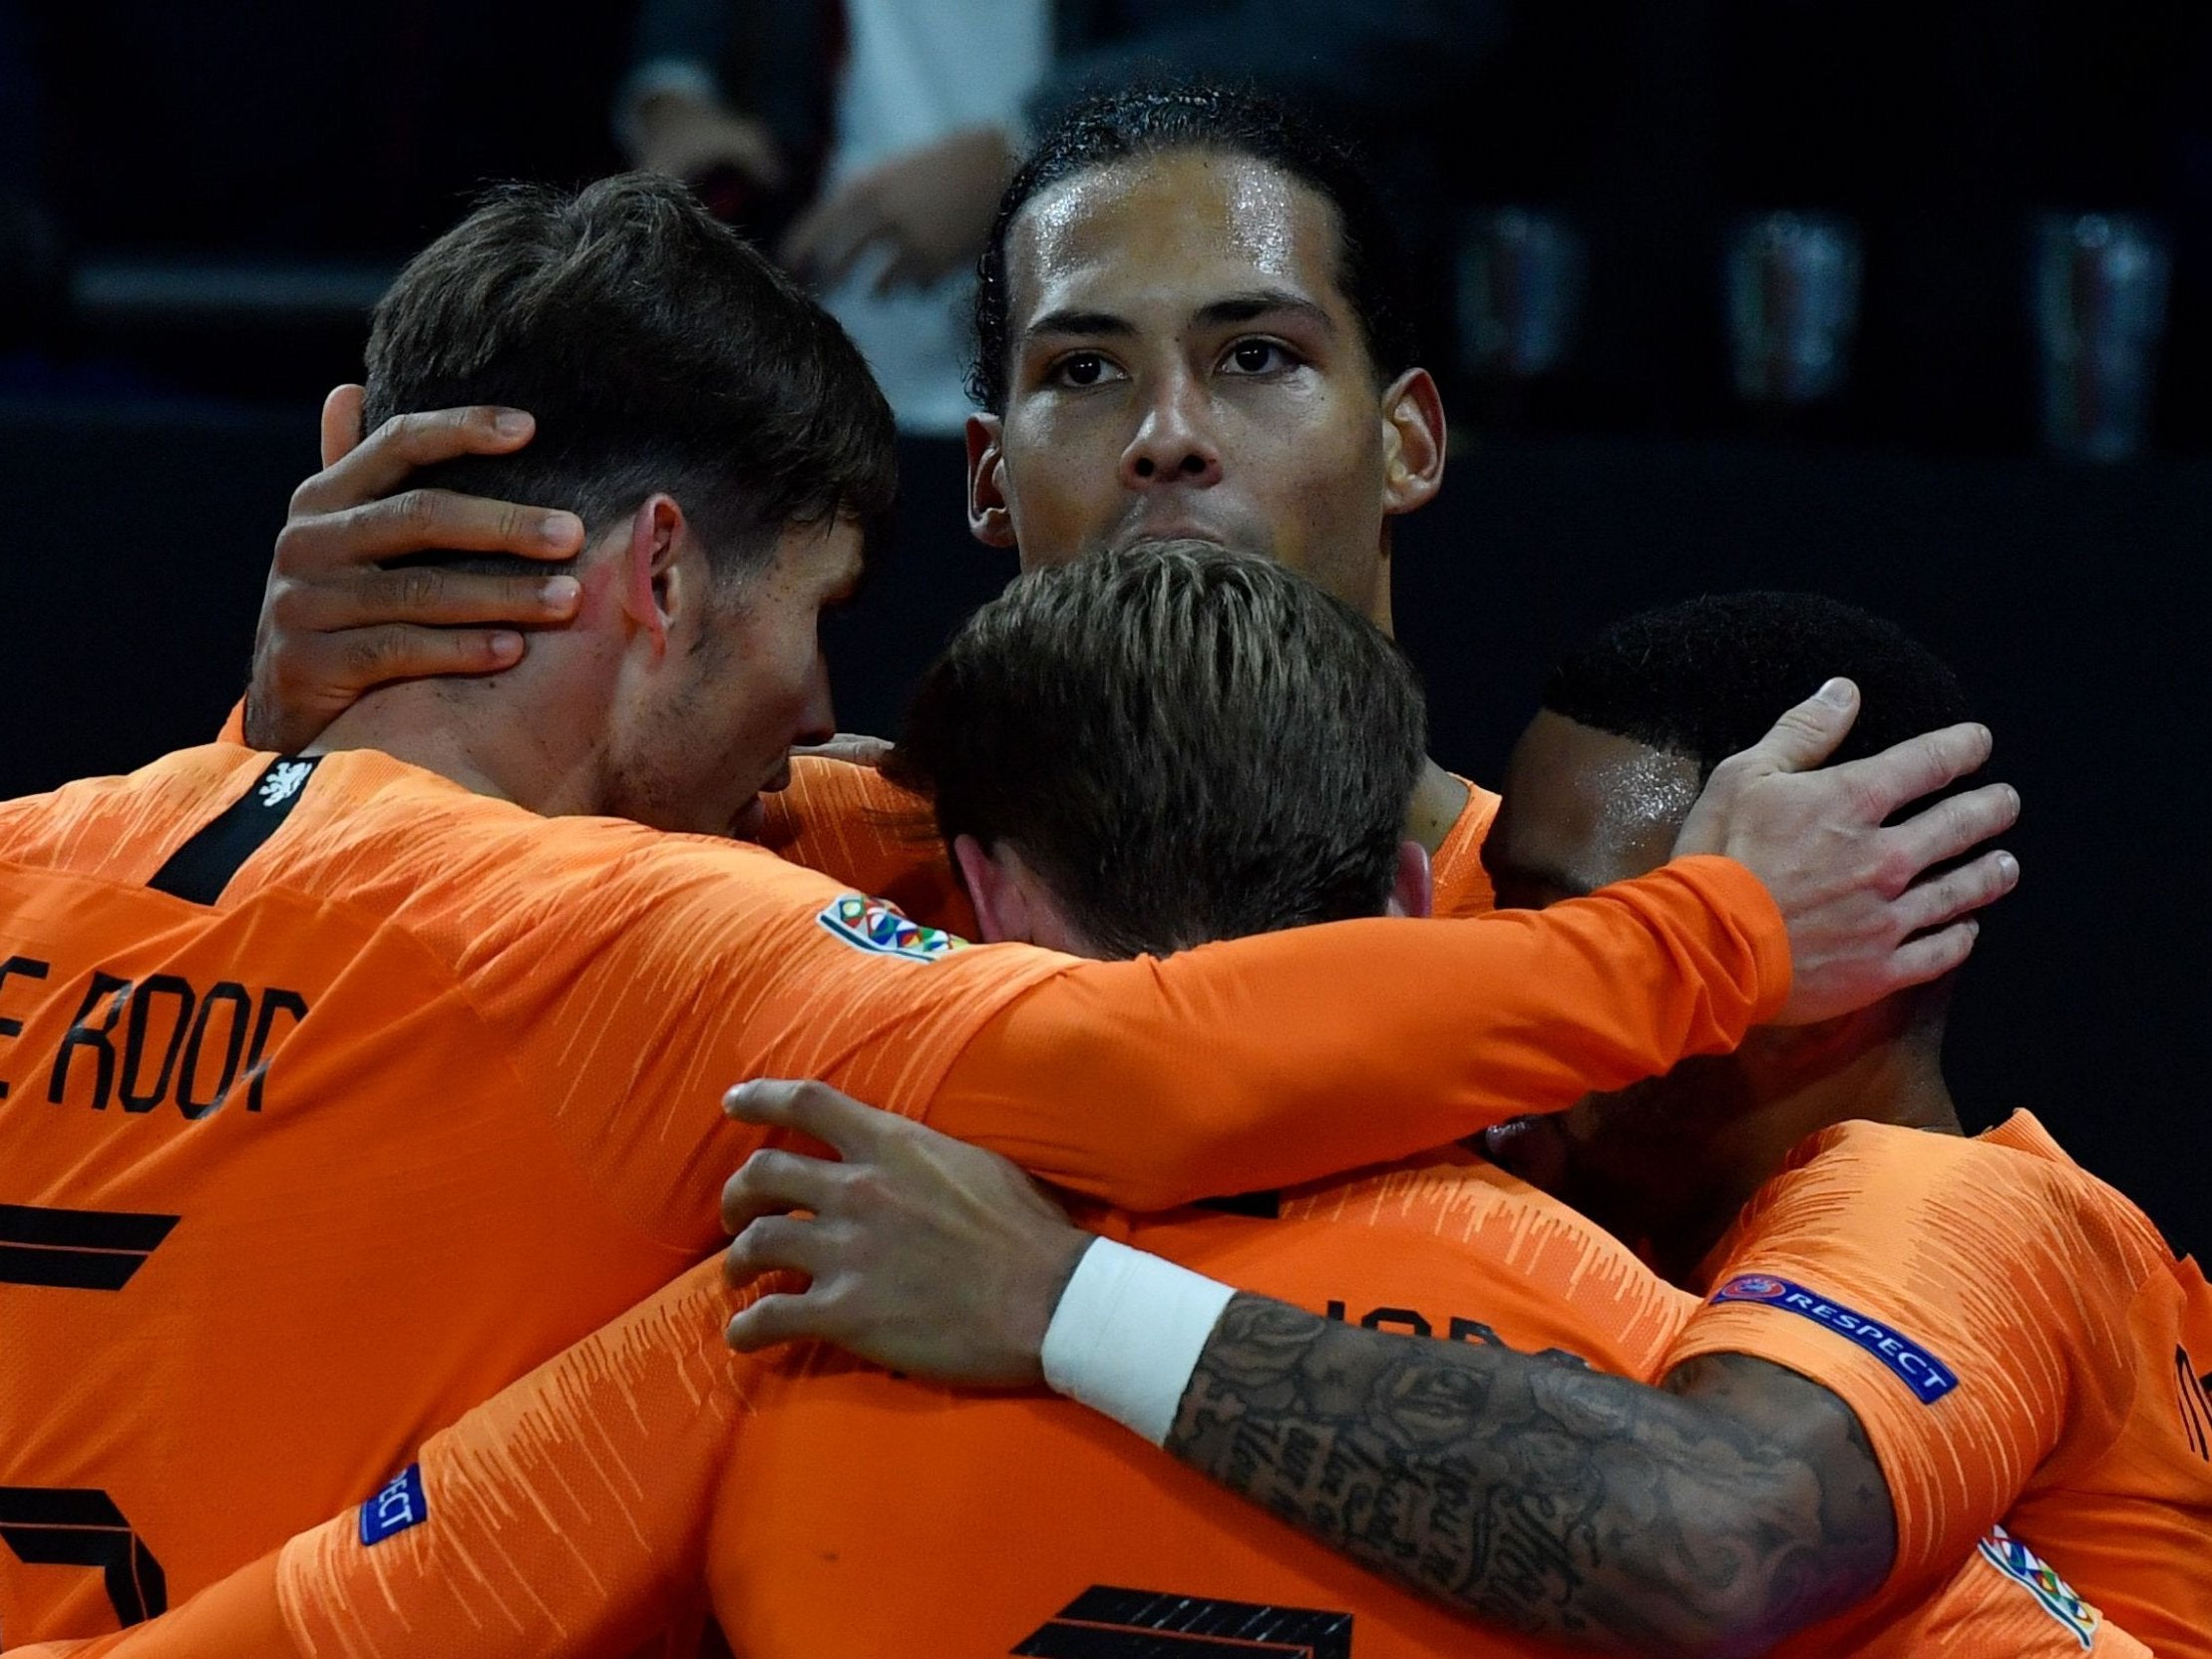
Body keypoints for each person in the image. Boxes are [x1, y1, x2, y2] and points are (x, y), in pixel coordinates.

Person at [0, 177, 2003, 1643]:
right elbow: (1143, 1060)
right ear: (663, 574)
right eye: (815, 613)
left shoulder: (43, 856)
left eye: (1252, 354)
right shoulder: (660, 946)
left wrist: (283, 741)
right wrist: (1719, 930)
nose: (809, 708)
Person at [714, 593, 2208, 1656]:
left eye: (1593, 928)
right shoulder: (1607, 1172)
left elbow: (1714, 1540)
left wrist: (1059, 1300)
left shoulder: (1959, 1211)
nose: (1505, 974)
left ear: (1826, 959)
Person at [234, 86, 1519, 922]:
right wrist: (301, 745)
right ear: (988, 479)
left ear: (1407, 440)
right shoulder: (776, 842)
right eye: (1083, 372)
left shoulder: (1568, 905)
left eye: (1256, 357)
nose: (1168, 437)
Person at [615, 6, 1502, 431]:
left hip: (1133, 392)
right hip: (805, 403)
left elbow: (1397, 25)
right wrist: (675, 93)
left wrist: (1037, 142)